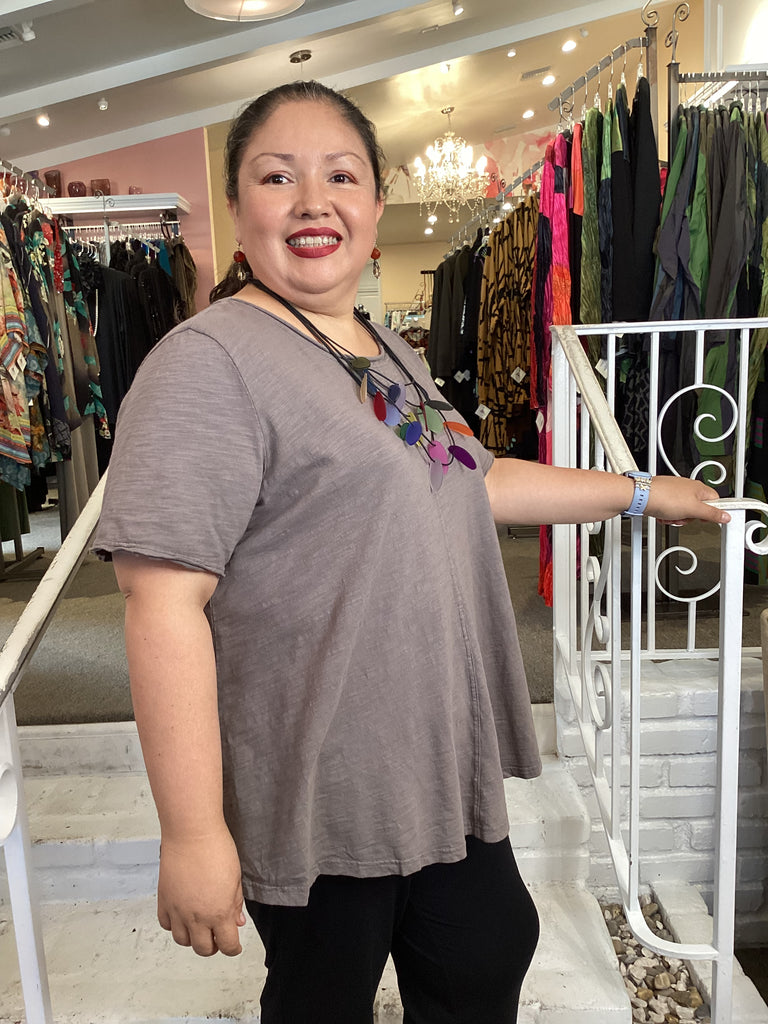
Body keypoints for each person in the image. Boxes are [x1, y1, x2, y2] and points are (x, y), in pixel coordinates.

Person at [93, 80, 729, 1024]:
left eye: (341, 175)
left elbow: (472, 479)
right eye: (278, 176)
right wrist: (191, 834)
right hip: (325, 782)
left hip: (434, 758)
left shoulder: (384, 348)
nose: (313, 202)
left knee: (488, 947)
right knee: (323, 999)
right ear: (238, 208)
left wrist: (641, 493)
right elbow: (161, 602)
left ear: (376, 203)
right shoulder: (206, 363)